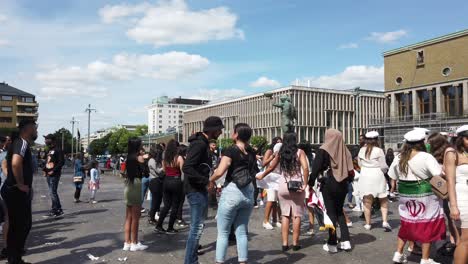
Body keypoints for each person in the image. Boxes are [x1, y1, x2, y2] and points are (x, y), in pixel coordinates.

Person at [388, 129, 445, 264]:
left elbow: (392, 176)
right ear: (421, 143)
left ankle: (398, 253)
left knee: (407, 224)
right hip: (424, 194)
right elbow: (438, 174)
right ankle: (425, 259)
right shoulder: (426, 157)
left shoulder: (399, 157)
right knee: (427, 224)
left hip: (405, 194)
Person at [209, 123, 256, 263]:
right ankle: (243, 261)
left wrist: (210, 180)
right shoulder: (251, 152)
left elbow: (220, 171)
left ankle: (220, 261)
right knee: (241, 232)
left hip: (232, 192)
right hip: (248, 193)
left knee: (223, 232)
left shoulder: (231, 150)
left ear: (236, 134)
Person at [257, 132, 309, 252]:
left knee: (285, 215)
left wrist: (262, 175)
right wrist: (305, 183)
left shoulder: (281, 152)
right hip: (297, 185)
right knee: (297, 215)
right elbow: (305, 168)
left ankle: (285, 244)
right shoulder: (300, 152)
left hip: (283, 185)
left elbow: (270, 167)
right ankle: (295, 243)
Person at [183, 116, 224, 264]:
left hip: (198, 189)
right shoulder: (199, 144)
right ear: (213, 130)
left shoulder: (202, 143)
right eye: (219, 129)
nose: (220, 132)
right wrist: (206, 181)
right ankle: (190, 261)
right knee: (196, 228)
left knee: (198, 227)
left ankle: (192, 259)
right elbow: (187, 167)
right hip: (195, 190)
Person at [309, 129, 354, 253]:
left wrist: (310, 183)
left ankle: (332, 242)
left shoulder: (324, 149)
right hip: (343, 184)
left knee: (331, 212)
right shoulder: (345, 151)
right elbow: (351, 171)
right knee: (339, 211)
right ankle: (346, 241)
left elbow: (316, 168)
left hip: (329, 184)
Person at [0, 120, 37, 264]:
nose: (36, 131)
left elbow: (6, 163)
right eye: (35, 128)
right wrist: (19, 183)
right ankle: (14, 259)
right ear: (28, 129)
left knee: (21, 225)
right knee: (20, 226)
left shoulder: (19, 142)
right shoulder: (21, 142)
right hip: (16, 192)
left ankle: (14, 258)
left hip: (13, 190)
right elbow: (15, 163)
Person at [357, 131, 391, 231]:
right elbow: (384, 166)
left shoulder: (361, 150)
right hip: (377, 174)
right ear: (377, 139)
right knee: (383, 198)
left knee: (367, 200)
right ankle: (384, 221)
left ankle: (368, 223)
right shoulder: (379, 150)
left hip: (365, 175)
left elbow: (360, 164)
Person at [446, 125, 468, 264]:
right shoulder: (452, 153)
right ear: (460, 139)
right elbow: (450, 180)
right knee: (465, 240)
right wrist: (453, 206)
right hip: (463, 198)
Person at [123, 138, 148, 252]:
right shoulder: (139, 157)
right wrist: (145, 159)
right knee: (136, 218)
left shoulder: (128, 157)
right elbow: (146, 173)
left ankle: (127, 242)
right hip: (137, 185)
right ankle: (135, 243)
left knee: (128, 217)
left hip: (128, 184)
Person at [155, 140, 184, 234]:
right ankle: (170, 227)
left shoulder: (165, 159)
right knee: (175, 205)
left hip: (166, 181)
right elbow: (183, 172)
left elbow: (164, 170)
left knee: (166, 205)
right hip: (176, 181)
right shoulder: (179, 158)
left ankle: (159, 225)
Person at [261, 137, 282, 230]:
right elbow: (263, 163)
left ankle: (275, 219)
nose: (279, 144)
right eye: (277, 142)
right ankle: (265, 221)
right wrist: (272, 156)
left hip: (279, 177)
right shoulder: (269, 151)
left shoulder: (282, 153)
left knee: (277, 201)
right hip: (270, 177)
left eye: (281, 142)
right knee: (271, 199)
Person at [43, 134, 65, 218]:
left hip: (54, 174)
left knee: (53, 192)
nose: (45, 141)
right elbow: (47, 161)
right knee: (52, 192)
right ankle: (55, 210)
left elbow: (61, 162)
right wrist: (45, 170)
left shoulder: (58, 150)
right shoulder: (49, 150)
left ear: (52, 140)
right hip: (49, 174)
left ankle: (58, 210)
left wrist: (53, 170)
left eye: (47, 139)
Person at [148, 146, 165, 225]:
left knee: (158, 200)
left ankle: (153, 216)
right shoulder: (151, 160)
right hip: (154, 181)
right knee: (155, 201)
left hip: (157, 181)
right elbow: (158, 171)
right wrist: (163, 168)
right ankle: (151, 217)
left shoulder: (155, 160)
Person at [176, 144, 188, 227]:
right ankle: (179, 218)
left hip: (174, 180)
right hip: (180, 182)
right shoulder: (181, 158)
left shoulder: (174, 157)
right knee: (180, 201)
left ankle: (177, 218)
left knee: (176, 202)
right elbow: (183, 171)